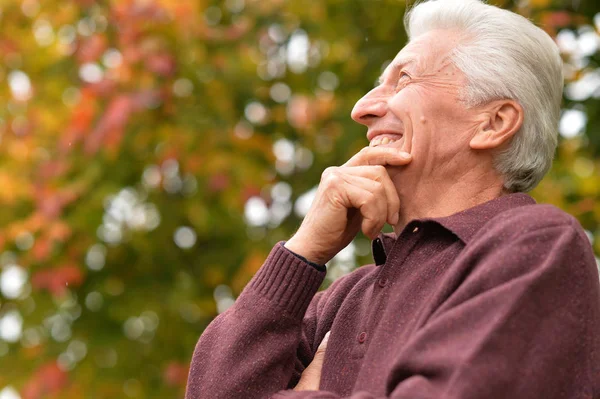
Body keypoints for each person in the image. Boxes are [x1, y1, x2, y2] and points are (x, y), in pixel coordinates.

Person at [185, 0, 600, 397]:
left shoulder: (536, 247)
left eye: (403, 79)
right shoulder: (344, 300)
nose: (362, 108)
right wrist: (303, 253)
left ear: (493, 123)